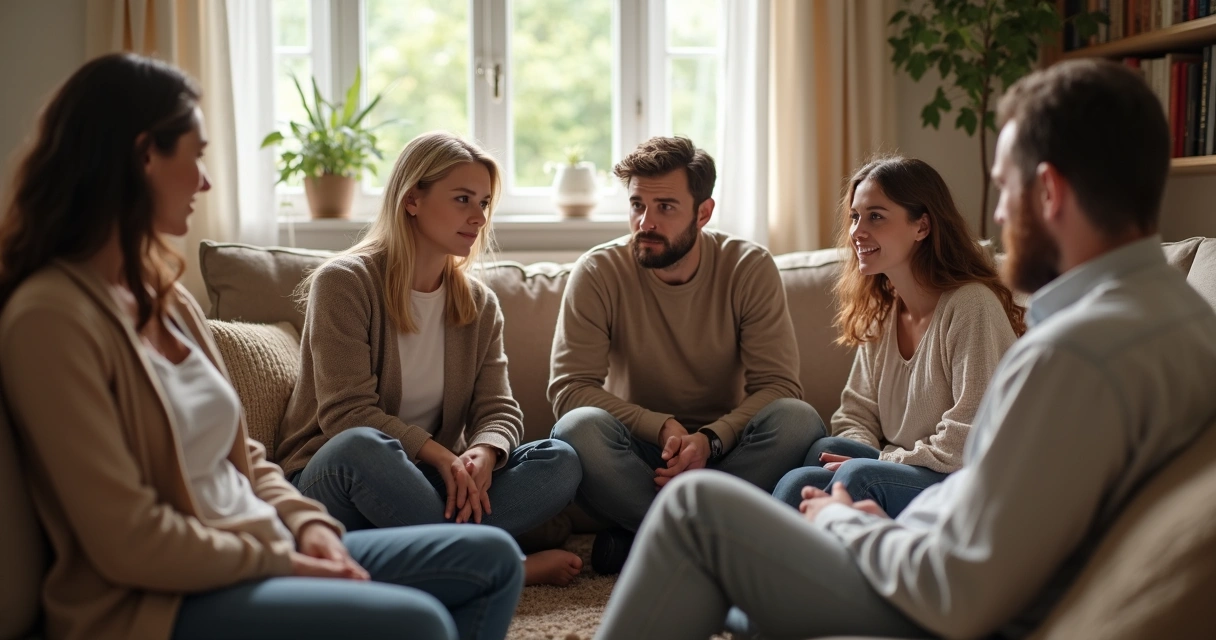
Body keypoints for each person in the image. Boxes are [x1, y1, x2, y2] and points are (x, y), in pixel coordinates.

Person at [593, 59, 1216, 640]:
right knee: (749, 532)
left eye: (1003, 190)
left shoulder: (1073, 356)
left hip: (947, 604)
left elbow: (959, 585)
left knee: (696, 508)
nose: (997, 215)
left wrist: (847, 524)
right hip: (936, 550)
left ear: (1048, 192)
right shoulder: (1183, 322)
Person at [0, 53, 522, 640]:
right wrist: (285, 559)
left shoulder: (168, 302)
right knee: (421, 620)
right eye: (195, 157)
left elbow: (246, 456)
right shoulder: (50, 317)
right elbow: (127, 541)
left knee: (495, 560)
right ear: (145, 155)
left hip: (261, 545)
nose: (205, 181)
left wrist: (309, 527)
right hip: (158, 597)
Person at [276, 131, 584, 587]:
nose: (478, 216)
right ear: (412, 199)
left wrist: (483, 452)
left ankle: (430, 555)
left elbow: (498, 409)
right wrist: (441, 455)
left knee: (559, 459)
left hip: (426, 487)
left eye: (483, 202)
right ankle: (501, 567)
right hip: (337, 479)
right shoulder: (344, 284)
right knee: (362, 445)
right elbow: (347, 414)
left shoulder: (478, 305)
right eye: (462, 199)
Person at [548, 135, 821, 574]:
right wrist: (660, 428)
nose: (645, 222)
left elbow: (779, 386)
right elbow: (569, 389)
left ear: (704, 212)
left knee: (798, 419)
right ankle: (713, 542)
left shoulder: (748, 267)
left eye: (665, 208)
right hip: (637, 456)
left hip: (728, 453)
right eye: (637, 205)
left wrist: (711, 439)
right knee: (577, 429)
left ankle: (648, 538)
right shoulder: (598, 271)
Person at [772, 156, 1023, 517]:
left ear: (922, 226)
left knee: (861, 475)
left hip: (961, 478)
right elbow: (855, 415)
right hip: (904, 466)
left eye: (876, 216)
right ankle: (753, 563)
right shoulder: (885, 310)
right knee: (820, 454)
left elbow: (970, 437)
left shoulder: (971, 306)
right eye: (855, 216)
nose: (857, 231)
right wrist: (862, 455)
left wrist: (883, 460)